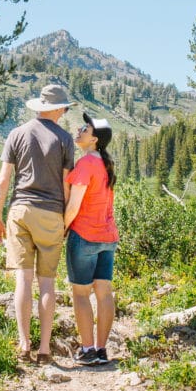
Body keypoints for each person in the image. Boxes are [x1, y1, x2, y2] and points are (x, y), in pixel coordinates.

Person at [0, 84, 76, 364]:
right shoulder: (64, 138)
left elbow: (4, 180)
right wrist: (65, 220)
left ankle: (23, 343)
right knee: (48, 283)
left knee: (23, 280)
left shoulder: (17, 134)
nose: (65, 112)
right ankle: (44, 349)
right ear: (55, 109)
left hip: (21, 210)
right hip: (51, 213)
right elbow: (66, 184)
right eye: (63, 107)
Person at [63, 112, 119, 365]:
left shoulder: (85, 164)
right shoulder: (105, 165)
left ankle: (87, 350)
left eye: (85, 129)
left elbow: (74, 206)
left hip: (84, 234)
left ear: (95, 139)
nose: (79, 130)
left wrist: (62, 229)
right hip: (108, 237)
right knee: (104, 292)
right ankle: (101, 349)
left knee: (81, 294)